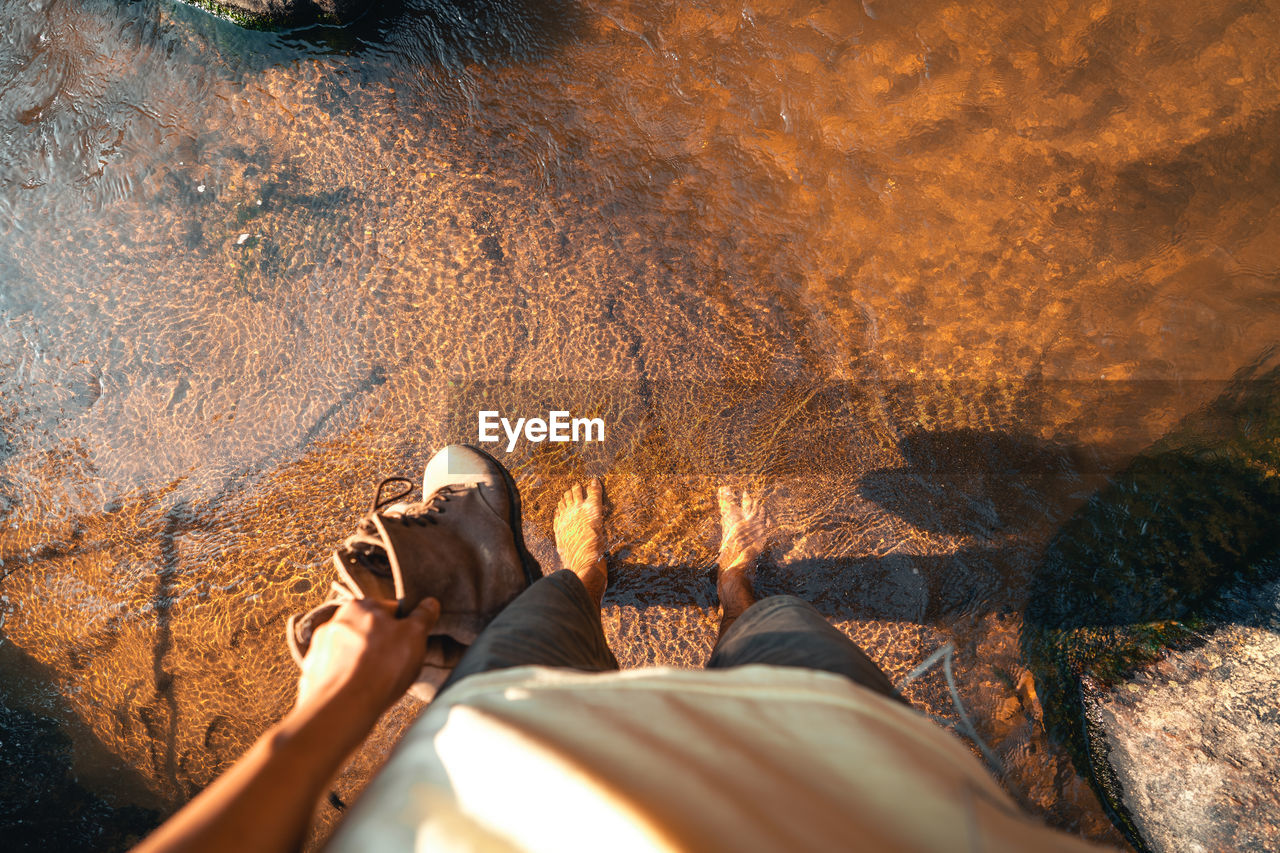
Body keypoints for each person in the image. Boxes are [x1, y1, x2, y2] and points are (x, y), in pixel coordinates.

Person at [135, 476, 1110, 853]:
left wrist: (330, 715)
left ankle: (587, 568)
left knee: (552, 613)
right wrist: (331, 705)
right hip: (849, 790)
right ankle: (734, 583)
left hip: (494, 770)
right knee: (784, 641)